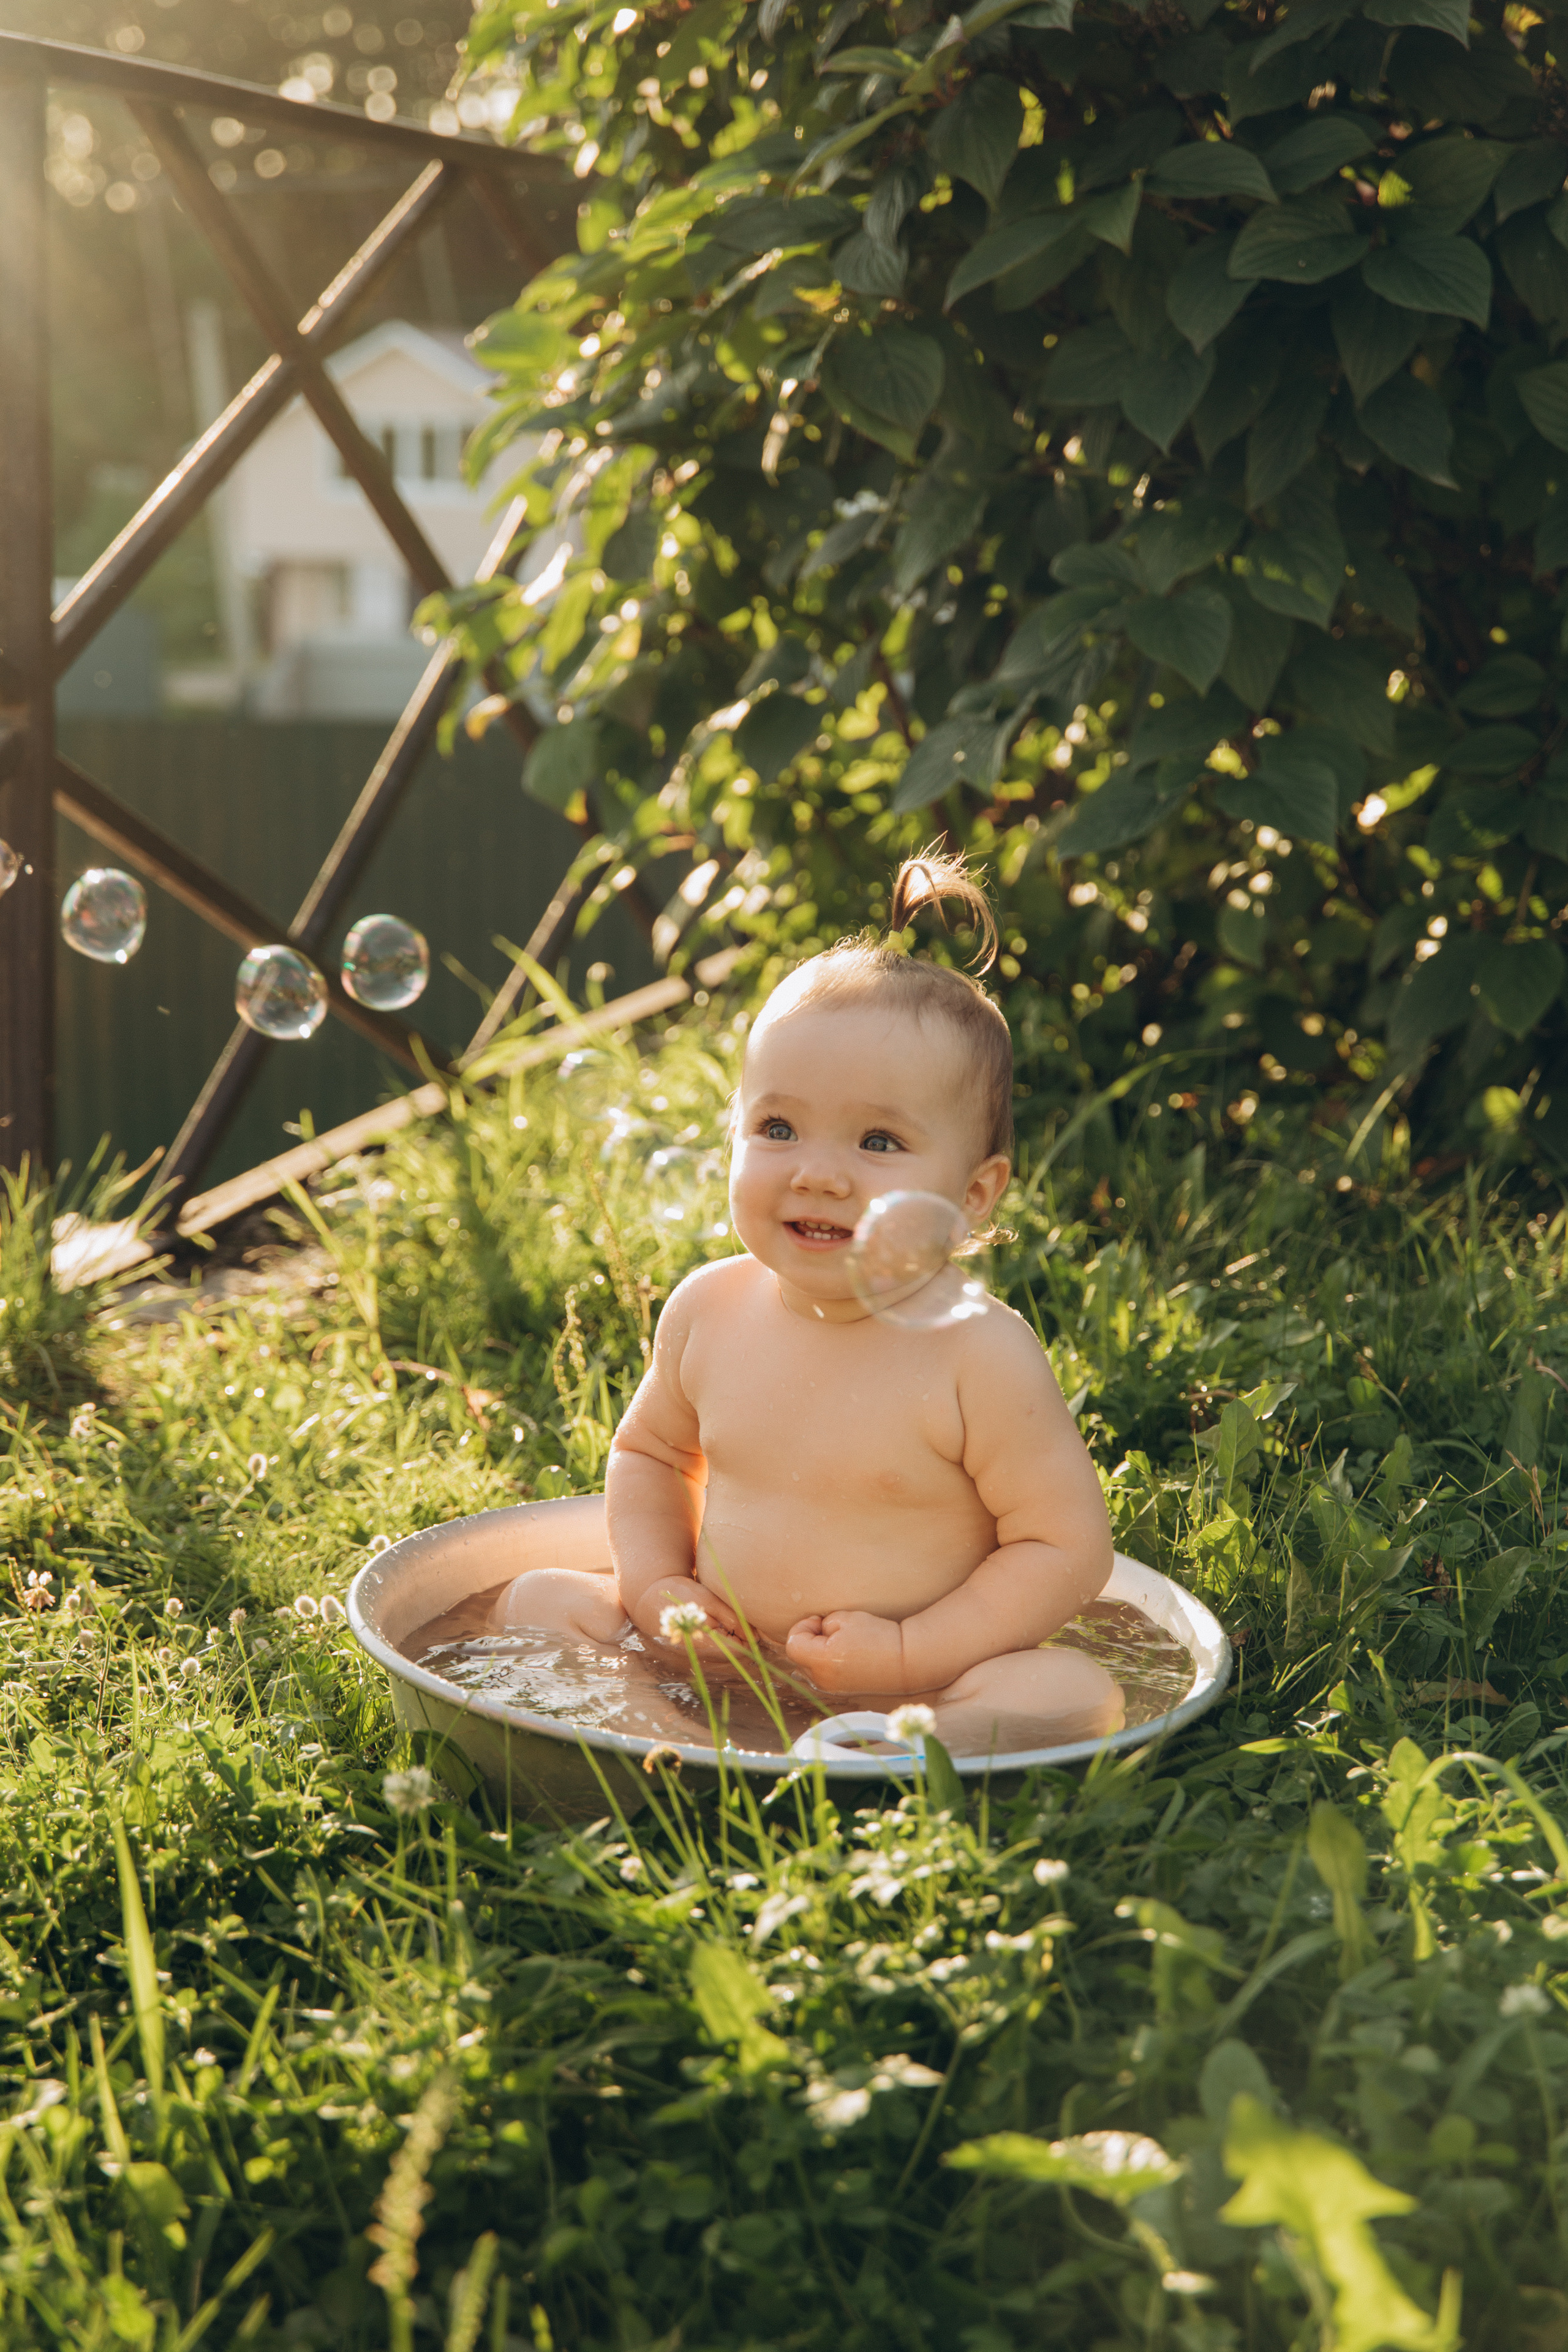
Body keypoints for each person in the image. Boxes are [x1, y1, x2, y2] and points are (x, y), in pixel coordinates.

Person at [493, 850, 1121, 1755]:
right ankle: (664, 1741)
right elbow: (652, 1454)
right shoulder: (711, 1309)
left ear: (975, 1194)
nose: (818, 1174)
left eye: (878, 1140)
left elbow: (1065, 1552)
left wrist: (911, 1654)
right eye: (778, 1128)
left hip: (918, 1681)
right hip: (714, 1657)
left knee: (1066, 1690)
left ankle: (891, 1749)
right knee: (539, 1601)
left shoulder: (978, 1355)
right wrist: (658, 1586)